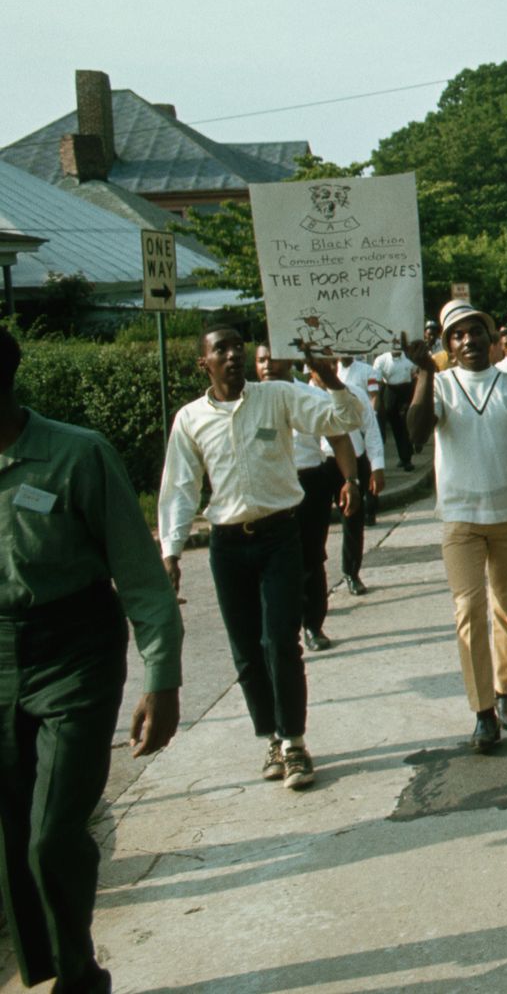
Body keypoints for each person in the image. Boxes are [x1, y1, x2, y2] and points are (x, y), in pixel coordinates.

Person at [0, 327, 182, 994]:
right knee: (10, 837)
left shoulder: (76, 455)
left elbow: (140, 578)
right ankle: (46, 967)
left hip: (75, 652)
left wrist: (161, 681)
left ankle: (78, 976)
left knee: (52, 833)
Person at [159, 326, 365, 790]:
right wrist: (171, 552)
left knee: (280, 641)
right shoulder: (190, 419)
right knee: (246, 649)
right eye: (221, 350)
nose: (233, 355)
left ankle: (295, 742)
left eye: (238, 346)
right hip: (227, 545)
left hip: (278, 537)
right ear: (204, 364)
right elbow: (179, 488)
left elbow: (344, 417)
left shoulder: (277, 397)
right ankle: (270, 736)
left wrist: (329, 379)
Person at [405, 300, 507, 752]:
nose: (468, 340)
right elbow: (414, 433)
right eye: (458, 335)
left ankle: (505, 691)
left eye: (476, 332)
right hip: (460, 517)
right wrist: (426, 374)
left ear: (491, 339)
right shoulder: (441, 385)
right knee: (469, 611)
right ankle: (483, 711)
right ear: (447, 344)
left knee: (506, 606)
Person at [255, 346, 357, 653]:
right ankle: (276, 631)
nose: (268, 365)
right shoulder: (249, 401)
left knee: (310, 558)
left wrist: (350, 480)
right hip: (268, 489)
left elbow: (339, 437)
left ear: (289, 358)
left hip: (308, 484)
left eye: (273, 357)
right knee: (268, 564)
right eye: (261, 359)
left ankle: (313, 625)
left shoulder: (311, 395)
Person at [314, 360, 382, 595]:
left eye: (331, 364)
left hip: (354, 461)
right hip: (321, 464)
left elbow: (371, 429)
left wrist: (377, 466)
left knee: (353, 521)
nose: (327, 369)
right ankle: (314, 586)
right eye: (321, 365)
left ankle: (351, 573)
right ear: (310, 369)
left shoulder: (355, 392)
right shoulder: (302, 397)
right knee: (315, 527)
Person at [372, 336, 418, 472]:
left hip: (406, 390)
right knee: (396, 425)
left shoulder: (409, 359)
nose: (396, 350)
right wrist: (378, 404)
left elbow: (416, 375)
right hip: (390, 392)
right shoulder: (381, 360)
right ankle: (403, 456)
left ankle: (407, 458)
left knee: (405, 424)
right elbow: (378, 383)